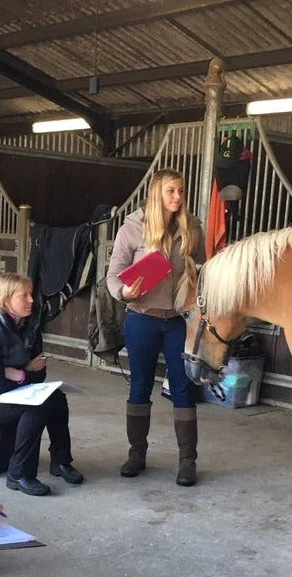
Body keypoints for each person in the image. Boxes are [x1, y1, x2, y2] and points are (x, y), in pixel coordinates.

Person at [106, 168, 205, 486]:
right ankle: (137, 454)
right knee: (140, 386)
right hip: (142, 316)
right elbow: (113, 274)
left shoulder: (192, 228)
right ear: (156, 193)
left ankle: (187, 461)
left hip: (178, 320)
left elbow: (203, 272)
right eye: (171, 191)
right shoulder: (133, 228)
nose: (177, 197)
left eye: (181, 191)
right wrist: (124, 292)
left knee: (183, 388)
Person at [0, 273, 83, 496]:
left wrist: (19, 374)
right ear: (6, 299)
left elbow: (41, 372)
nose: (31, 300)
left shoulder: (30, 325)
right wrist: (25, 373)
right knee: (35, 407)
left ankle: (60, 461)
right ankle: (19, 474)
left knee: (56, 398)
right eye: (23, 295)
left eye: (30, 294)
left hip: (11, 390)